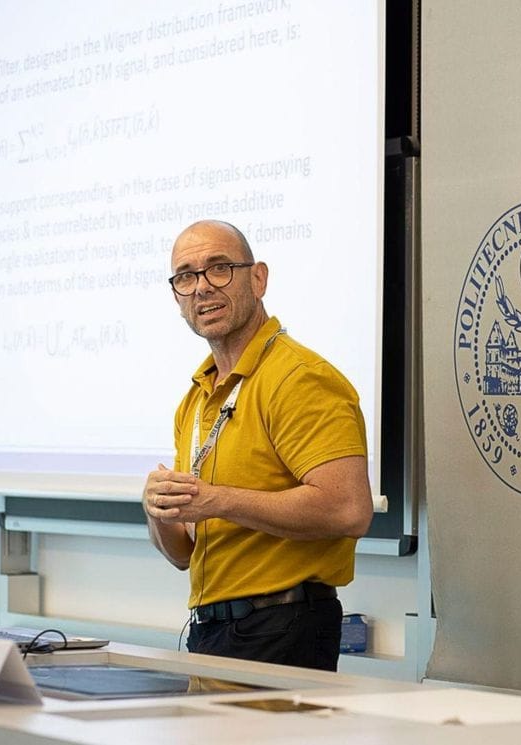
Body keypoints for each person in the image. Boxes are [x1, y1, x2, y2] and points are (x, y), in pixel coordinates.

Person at [142, 219, 373, 671]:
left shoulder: (299, 378)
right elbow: (183, 554)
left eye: (219, 268)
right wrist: (158, 510)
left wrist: (216, 500)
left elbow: (348, 509)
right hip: (212, 630)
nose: (202, 287)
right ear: (177, 297)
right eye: (186, 276)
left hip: (283, 625)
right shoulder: (196, 397)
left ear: (258, 278)